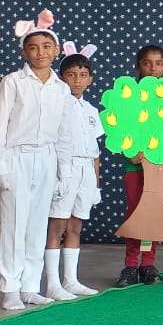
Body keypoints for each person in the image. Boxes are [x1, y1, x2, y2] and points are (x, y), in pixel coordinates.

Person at [0, 11, 69, 310]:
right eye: (33, 47)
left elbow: (61, 134)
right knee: (14, 224)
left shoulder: (61, 88)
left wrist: (61, 171)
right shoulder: (13, 82)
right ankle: (10, 287)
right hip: (17, 158)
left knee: (37, 225)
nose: (41, 53)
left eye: (47, 47)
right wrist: (0, 167)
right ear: (24, 51)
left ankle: (30, 286)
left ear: (57, 50)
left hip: (46, 158)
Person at [42, 44, 102, 299]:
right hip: (64, 168)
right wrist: (56, 174)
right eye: (71, 75)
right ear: (61, 76)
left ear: (90, 80)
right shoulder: (56, 104)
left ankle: (71, 280)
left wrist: (96, 183)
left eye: (83, 75)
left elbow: (95, 150)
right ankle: (52, 283)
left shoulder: (91, 110)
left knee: (76, 226)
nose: (77, 80)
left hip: (85, 170)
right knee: (57, 226)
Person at [114, 44, 163, 288]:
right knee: (136, 214)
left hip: (160, 168)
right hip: (135, 167)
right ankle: (130, 265)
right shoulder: (129, 96)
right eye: (147, 63)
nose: (153, 68)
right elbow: (118, 126)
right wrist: (129, 151)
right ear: (139, 66)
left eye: (158, 63)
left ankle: (148, 263)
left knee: (153, 214)